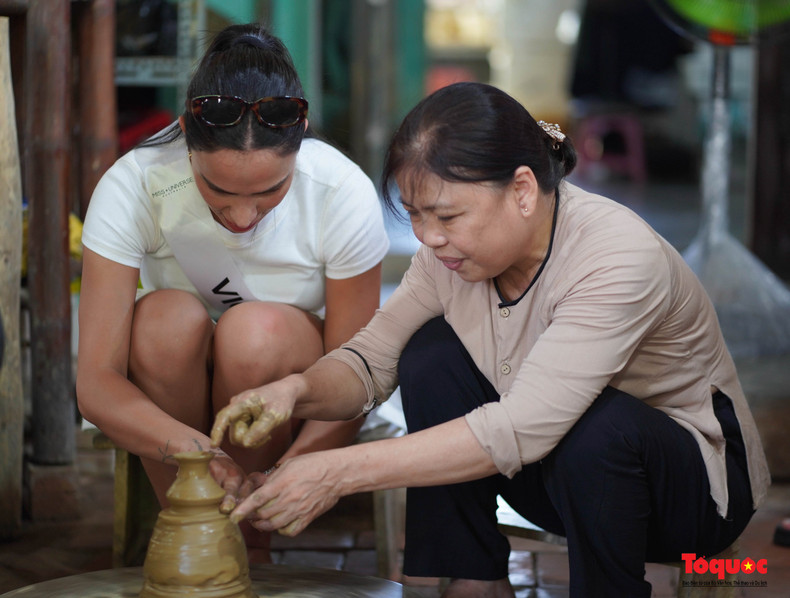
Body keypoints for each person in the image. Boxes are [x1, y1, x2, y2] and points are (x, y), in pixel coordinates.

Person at [209, 82, 770, 597]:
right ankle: (475, 579)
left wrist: (339, 471)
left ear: (522, 190)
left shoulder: (618, 257)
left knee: (600, 430)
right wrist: (294, 392)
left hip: (689, 495)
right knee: (428, 355)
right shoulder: (446, 256)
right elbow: (371, 360)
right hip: (559, 479)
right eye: (414, 215)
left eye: (448, 215)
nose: (429, 237)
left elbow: (522, 425)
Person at [75, 23, 389, 562]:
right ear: (184, 138)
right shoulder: (137, 183)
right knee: (161, 320)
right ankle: (191, 524)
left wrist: (285, 477)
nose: (242, 217)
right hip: (177, 404)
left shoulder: (340, 191)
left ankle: (249, 545)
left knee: (254, 332)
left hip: (287, 397)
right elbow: (97, 383)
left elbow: (358, 371)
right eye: (217, 190)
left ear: (301, 139)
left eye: (270, 191)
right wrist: (198, 455)